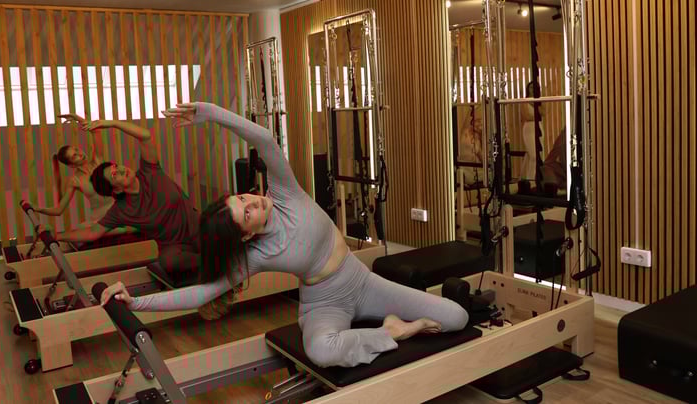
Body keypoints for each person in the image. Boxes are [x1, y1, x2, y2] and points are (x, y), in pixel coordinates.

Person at [100, 102, 469, 369]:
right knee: (322, 352)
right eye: (246, 213)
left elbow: (264, 139)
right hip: (324, 304)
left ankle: (392, 324)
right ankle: (394, 332)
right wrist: (137, 303)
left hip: (363, 282)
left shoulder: (285, 192)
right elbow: (203, 292)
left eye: (243, 198)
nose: (254, 203)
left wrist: (210, 114)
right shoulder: (257, 254)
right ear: (245, 236)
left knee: (456, 317)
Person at [36, 117, 200, 278]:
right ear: (117, 189)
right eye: (115, 175)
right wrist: (57, 235)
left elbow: (144, 135)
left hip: (197, 227)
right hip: (172, 246)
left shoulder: (150, 171)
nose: (121, 169)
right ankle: (210, 262)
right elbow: (93, 232)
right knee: (169, 262)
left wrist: (112, 123)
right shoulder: (121, 210)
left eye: (116, 166)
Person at [520, 81, 544, 180]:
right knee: (534, 155)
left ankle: (524, 178)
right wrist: (536, 114)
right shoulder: (524, 101)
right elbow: (526, 116)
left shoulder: (539, 101)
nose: (532, 90)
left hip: (539, 127)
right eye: (530, 88)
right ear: (527, 89)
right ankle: (531, 179)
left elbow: (543, 113)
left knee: (535, 154)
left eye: (534, 88)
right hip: (529, 128)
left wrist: (535, 103)